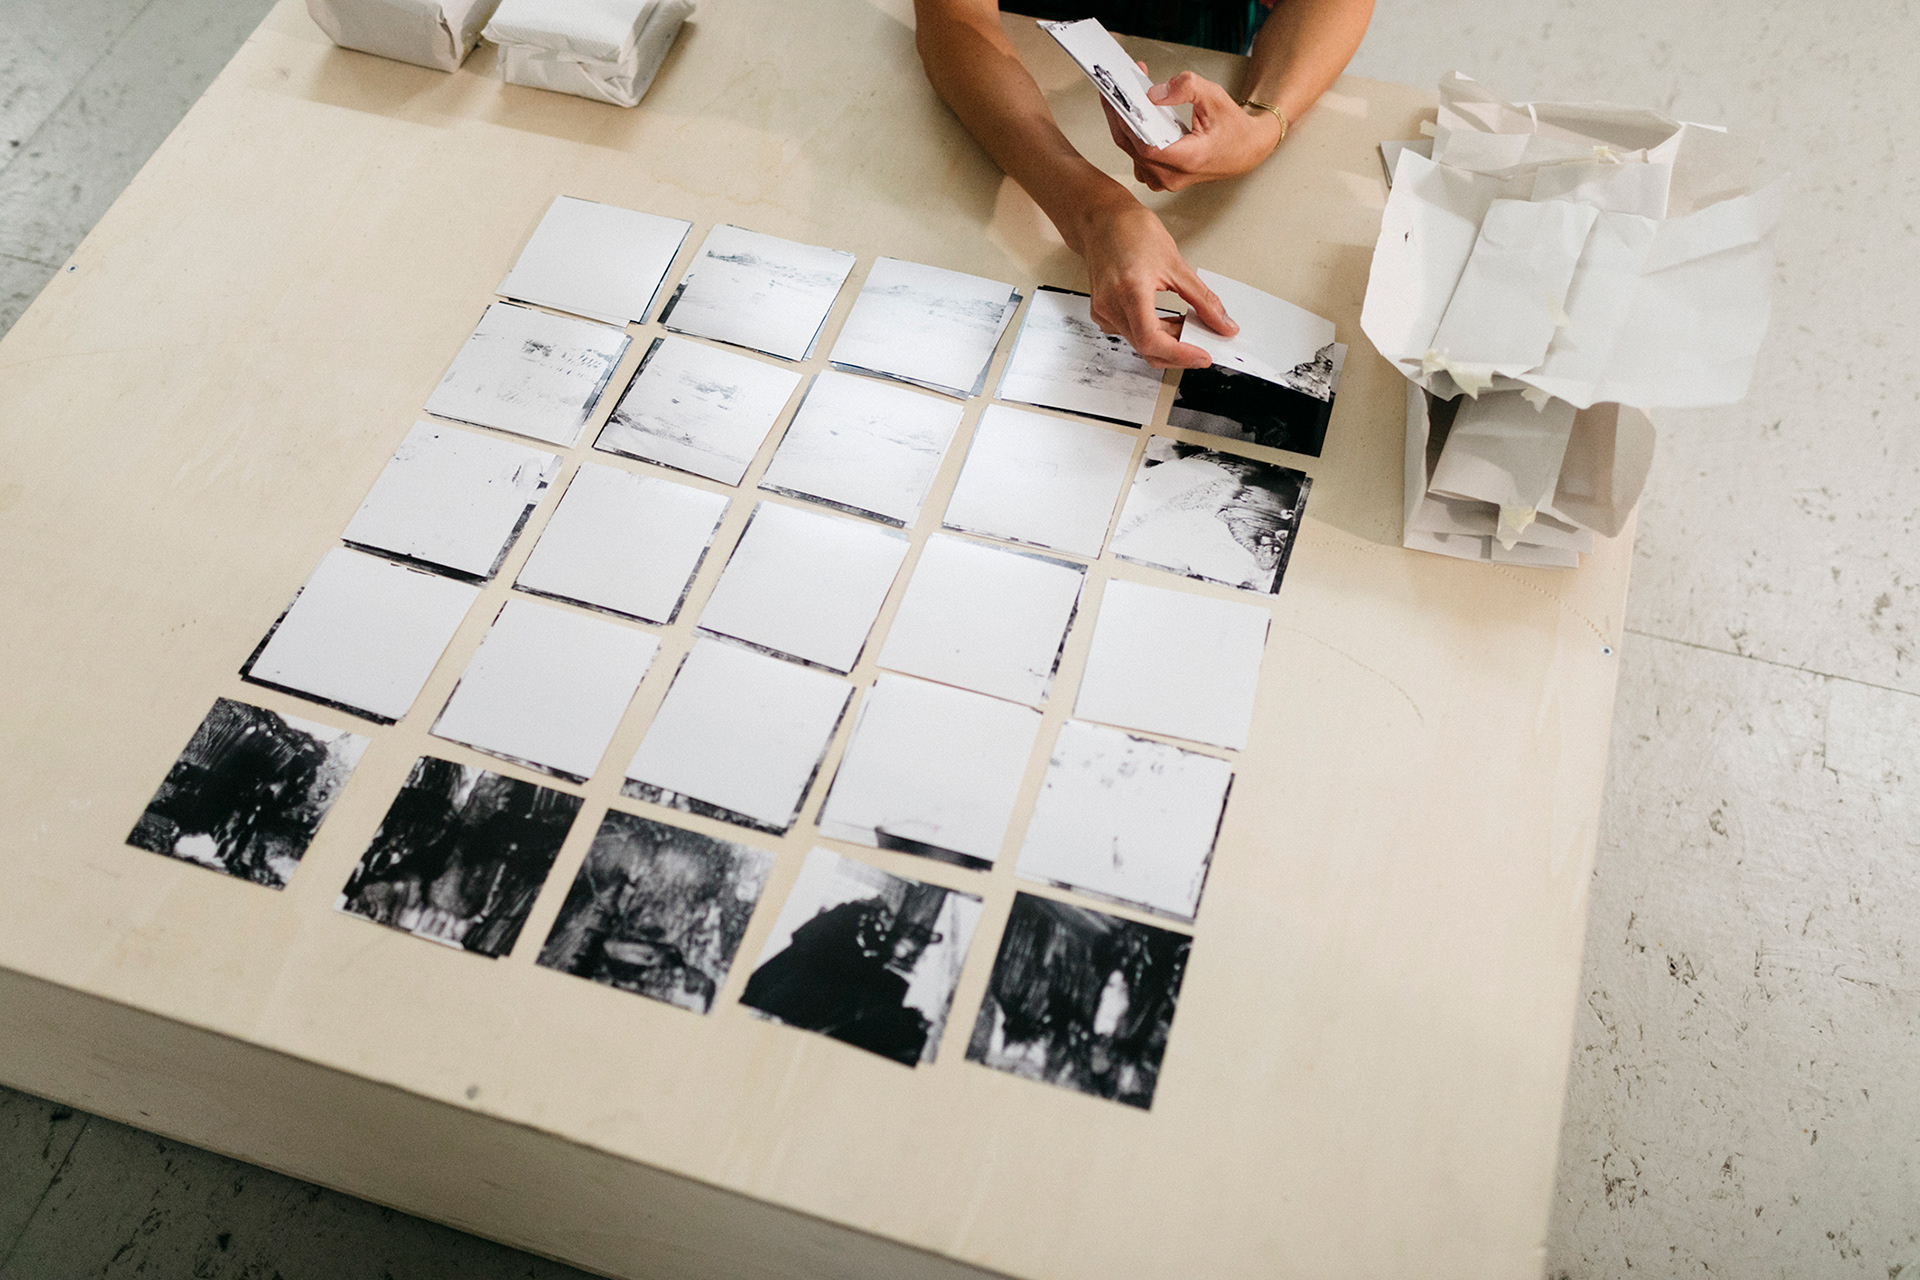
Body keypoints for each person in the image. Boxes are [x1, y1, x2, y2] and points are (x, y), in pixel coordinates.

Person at [913, 0, 1373, 367]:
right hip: (1017, 54)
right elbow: (954, 21)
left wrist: (1262, 125)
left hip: (1202, 39)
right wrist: (1094, 209)